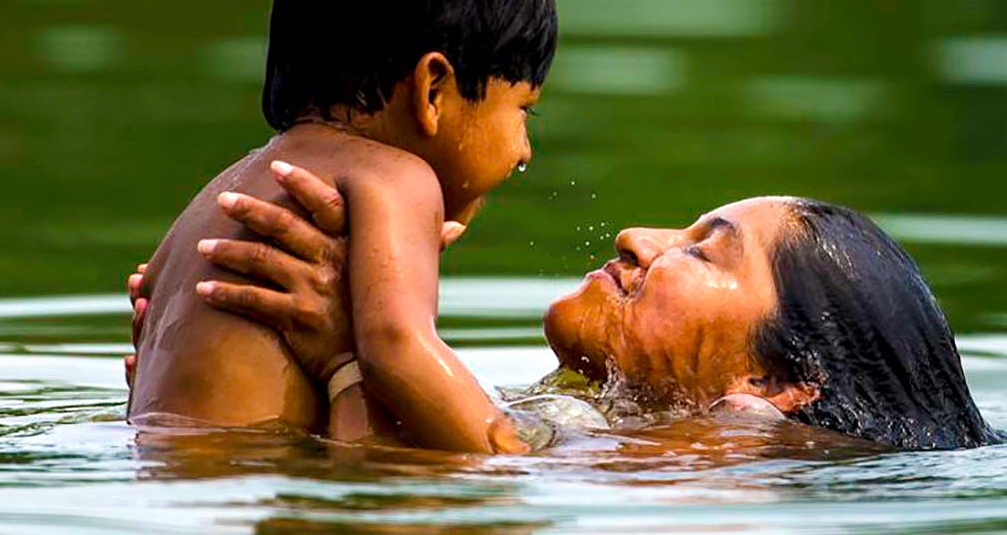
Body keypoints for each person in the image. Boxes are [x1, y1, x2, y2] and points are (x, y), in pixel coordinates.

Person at [129, 169, 1001, 452]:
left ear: (771, 382)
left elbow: (394, 515)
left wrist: (348, 357)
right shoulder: (607, 438)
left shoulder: (704, 476)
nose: (635, 236)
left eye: (702, 249)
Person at [127, 0, 556, 454]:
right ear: (433, 89)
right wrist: (505, 449)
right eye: (523, 110)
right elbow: (398, 348)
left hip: (157, 476)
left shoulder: (222, 191)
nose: (524, 150)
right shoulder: (398, 179)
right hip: (261, 479)